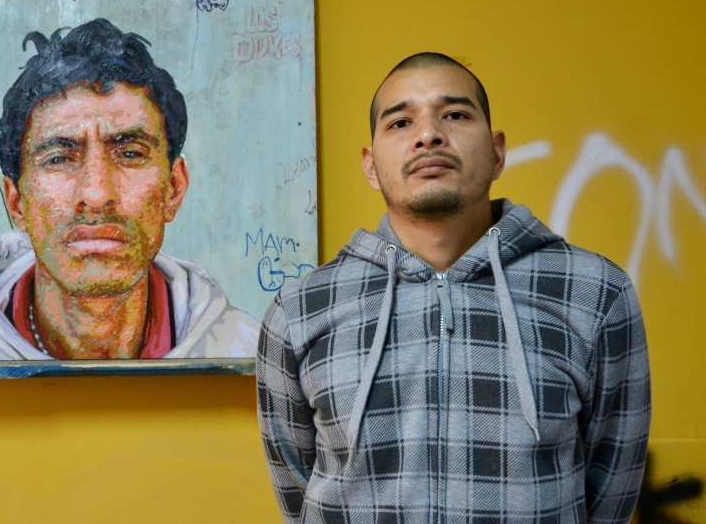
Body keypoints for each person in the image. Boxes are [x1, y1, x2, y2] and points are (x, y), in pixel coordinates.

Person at [256, 53, 650, 523]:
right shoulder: (301, 310)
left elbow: (611, 489)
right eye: (400, 122)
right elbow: (297, 489)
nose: (428, 135)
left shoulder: (596, 294)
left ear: (497, 152)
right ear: (371, 166)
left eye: (456, 115)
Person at [0, 19, 260, 361]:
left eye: (130, 154)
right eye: (58, 158)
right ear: (17, 202)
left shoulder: (246, 355)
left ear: (174, 188)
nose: (97, 195)